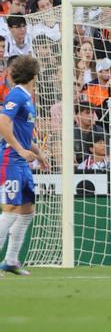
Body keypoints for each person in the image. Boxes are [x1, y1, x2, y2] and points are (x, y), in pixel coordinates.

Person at [0, 56, 49, 275]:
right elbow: (2, 122)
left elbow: (22, 134)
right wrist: (20, 150)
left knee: (27, 210)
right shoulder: (17, 94)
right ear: (34, 75)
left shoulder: (28, 98)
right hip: (10, 159)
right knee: (10, 209)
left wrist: (38, 153)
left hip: (23, 164)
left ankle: (11, 260)